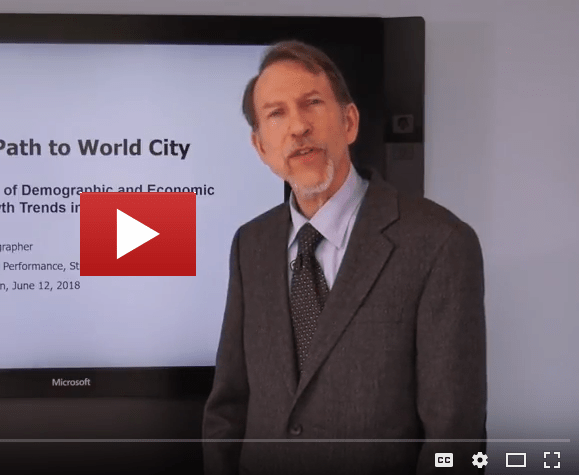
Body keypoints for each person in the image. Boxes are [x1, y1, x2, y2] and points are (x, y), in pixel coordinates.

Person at [202, 40, 487, 475]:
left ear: (349, 121)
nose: (298, 126)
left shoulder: (440, 243)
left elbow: (455, 438)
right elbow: (228, 408)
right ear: (261, 148)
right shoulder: (250, 244)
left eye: (312, 104)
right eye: (277, 113)